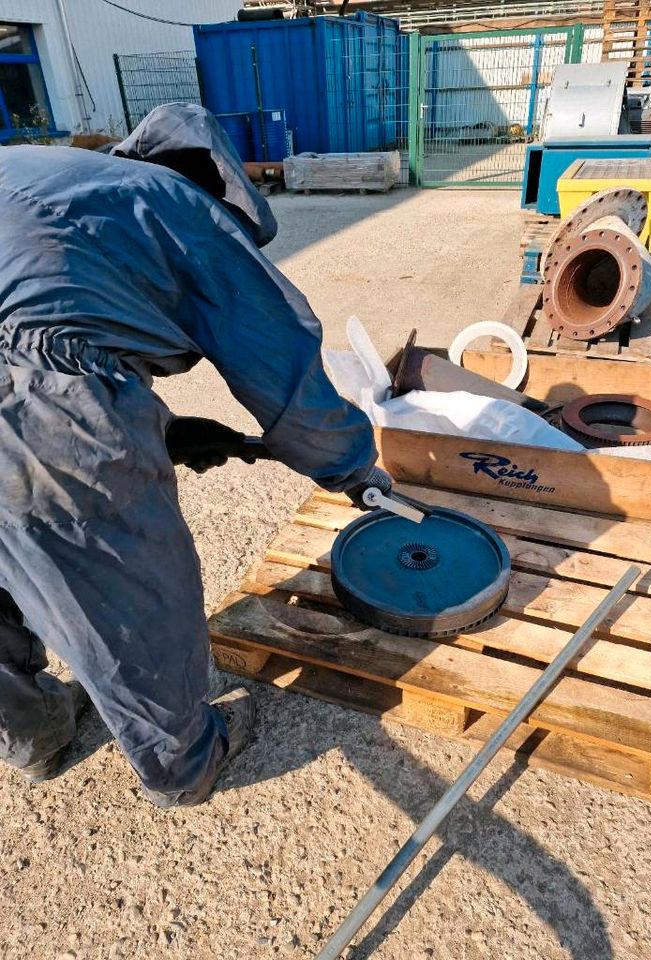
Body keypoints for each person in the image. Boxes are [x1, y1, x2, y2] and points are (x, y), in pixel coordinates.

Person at [0, 103, 391, 807]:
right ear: (222, 188)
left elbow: (50, 323)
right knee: (127, 583)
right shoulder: (180, 206)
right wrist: (352, 468)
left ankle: (35, 733)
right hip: (30, 408)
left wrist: (168, 432)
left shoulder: (59, 175)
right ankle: (183, 762)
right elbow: (285, 372)